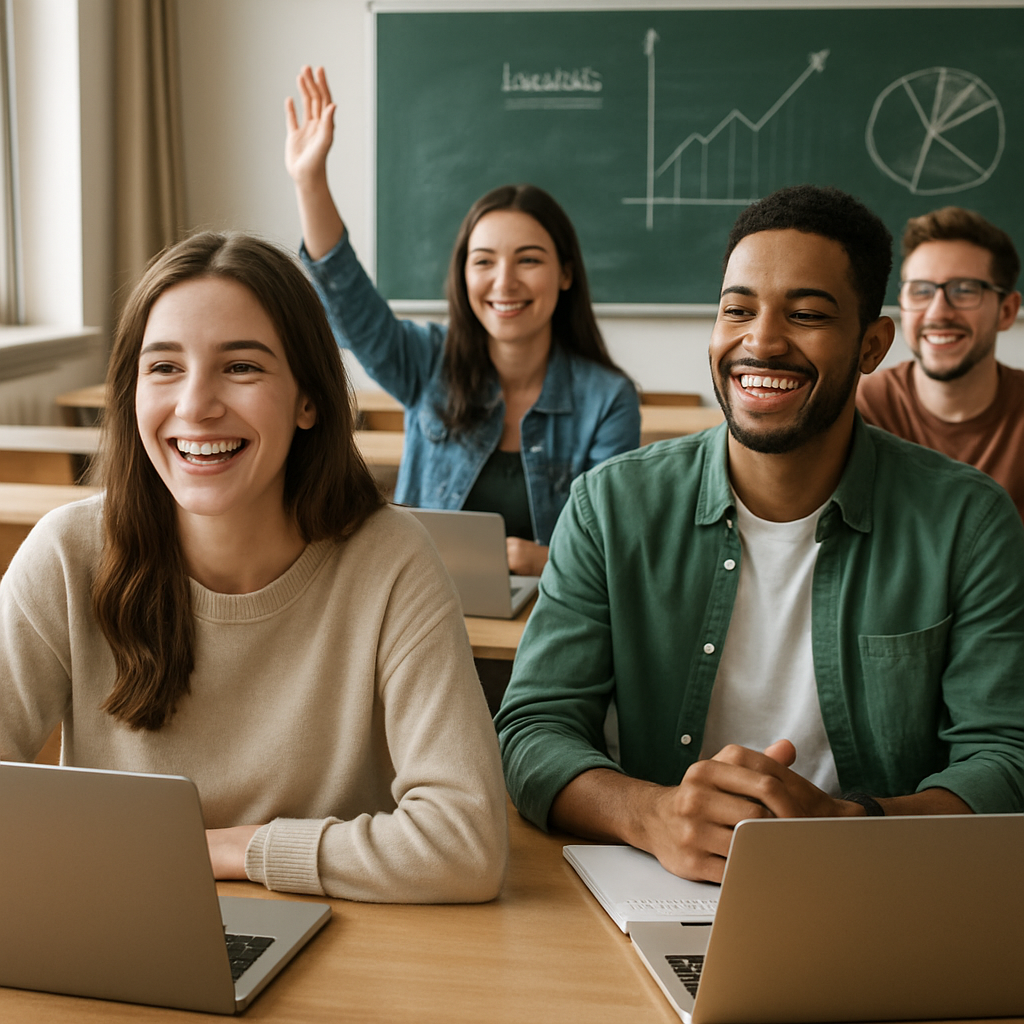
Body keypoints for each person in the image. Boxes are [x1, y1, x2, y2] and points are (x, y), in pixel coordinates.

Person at [495, 185, 1024, 883]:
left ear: (872, 344)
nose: (762, 341)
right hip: (658, 885)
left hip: (879, 886)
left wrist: (852, 826)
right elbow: (533, 730)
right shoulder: (611, 504)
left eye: (805, 314)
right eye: (737, 310)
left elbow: (1005, 758)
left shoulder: (968, 521)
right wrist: (651, 815)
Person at [0, 232, 508, 903]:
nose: (195, 405)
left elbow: (467, 844)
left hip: (342, 946)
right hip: (124, 920)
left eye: (241, 368)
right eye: (164, 368)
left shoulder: (391, 560)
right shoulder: (66, 553)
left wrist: (235, 848)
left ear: (308, 400)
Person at [285, 66, 641, 577]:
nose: (504, 282)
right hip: (422, 609)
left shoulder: (608, 400)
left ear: (565, 274)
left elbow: (612, 548)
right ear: (463, 274)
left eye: (529, 260)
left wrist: (542, 560)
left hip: (546, 622)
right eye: (484, 261)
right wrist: (309, 181)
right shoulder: (427, 361)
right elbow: (350, 304)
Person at [857, 207, 1024, 518]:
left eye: (963, 291)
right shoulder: (862, 409)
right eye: (920, 291)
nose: (937, 313)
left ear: (1007, 311)